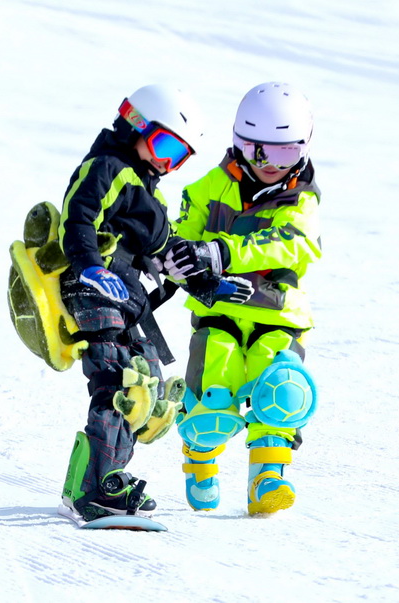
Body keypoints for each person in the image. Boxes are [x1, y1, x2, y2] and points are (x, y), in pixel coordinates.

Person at [57, 84, 250, 523]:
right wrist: (89, 265)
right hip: (94, 290)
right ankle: (100, 489)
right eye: (164, 146)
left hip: (125, 299)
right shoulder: (107, 166)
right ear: (135, 123)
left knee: (145, 389)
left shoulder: (150, 195)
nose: (166, 163)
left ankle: (92, 482)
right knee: (119, 383)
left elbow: (166, 252)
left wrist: (207, 284)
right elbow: (78, 214)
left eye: (177, 157)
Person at [164, 82, 322, 515]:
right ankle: (200, 461)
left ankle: (267, 482)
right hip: (220, 314)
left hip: (279, 315)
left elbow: (290, 243)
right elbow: (180, 238)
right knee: (214, 391)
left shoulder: (302, 201)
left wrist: (221, 251)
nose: (269, 164)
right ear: (237, 144)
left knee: (282, 390)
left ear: (304, 149)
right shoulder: (205, 190)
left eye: (285, 153)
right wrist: (179, 260)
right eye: (256, 151)